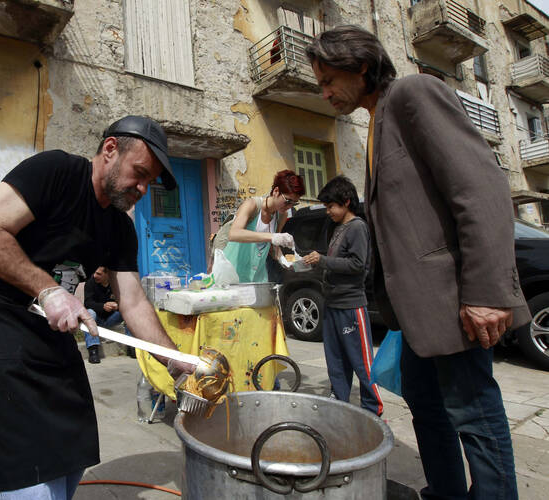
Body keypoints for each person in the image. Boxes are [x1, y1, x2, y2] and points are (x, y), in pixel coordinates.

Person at [307, 25, 530, 500]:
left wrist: (488, 294)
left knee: (473, 412)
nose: (324, 91)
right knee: (426, 406)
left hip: (454, 301)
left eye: (329, 80)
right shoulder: (376, 122)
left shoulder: (412, 94)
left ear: (361, 66)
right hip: (415, 312)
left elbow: (481, 190)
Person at [0, 115, 195, 498]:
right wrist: (48, 291)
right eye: (140, 173)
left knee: (73, 424)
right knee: (24, 442)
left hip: (49, 322)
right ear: (110, 150)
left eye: (150, 181)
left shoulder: (119, 227)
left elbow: (131, 300)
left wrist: (173, 357)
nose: (144, 188)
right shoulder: (56, 171)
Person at [303, 176, 382, 416]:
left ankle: (372, 407)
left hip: (351, 306)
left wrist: (323, 260)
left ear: (346, 202)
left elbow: (359, 265)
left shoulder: (357, 227)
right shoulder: (338, 229)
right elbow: (338, 263)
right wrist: (315, 263)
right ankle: (339, 401)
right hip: (333, 304)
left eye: (331, 206)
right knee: (335, 360)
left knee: (361, 361)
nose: (328, 212)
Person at [223, 170, 305, 283]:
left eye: (294, 203)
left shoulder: (281, 215)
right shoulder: (252, 205)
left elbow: (273, 247)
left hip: (257, 278)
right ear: (276, 191)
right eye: (287, 201)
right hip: (232, 274)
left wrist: (283, 260)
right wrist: (272, 236)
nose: (289, 206)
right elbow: (234, 234)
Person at [83, 266, 133, 363]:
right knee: (89, 312)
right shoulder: (90, 283)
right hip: (96, 319)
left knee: (128, 311)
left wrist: (117, 306)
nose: (95, 276)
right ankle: (93, 350)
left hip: (112, 318)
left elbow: (127, 301)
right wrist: (103, 306)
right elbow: (87, 303)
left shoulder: (117, 284)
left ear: (108, 274)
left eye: (99, 274)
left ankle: (131, 347)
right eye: (95, 273)